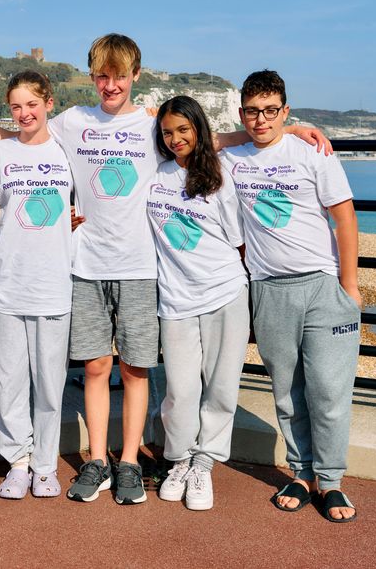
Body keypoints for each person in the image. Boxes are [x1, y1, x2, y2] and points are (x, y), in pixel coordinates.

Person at [0, 33, 328, 505]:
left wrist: (285, 132)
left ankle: (128, 461)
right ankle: (97, 460)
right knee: (94, 367)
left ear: (135, 77)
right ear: (92, 77)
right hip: (85, 266)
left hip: (142, 268)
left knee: (134, 369)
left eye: (119, 76)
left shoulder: (151, 126)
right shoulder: (73, 121)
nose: (110, 85)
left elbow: (203, 138)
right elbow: (26, 133)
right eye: (102, 76)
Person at [222, 69, 361, 523]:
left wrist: (349, 285)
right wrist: (253, 131)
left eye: (270, 111)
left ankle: (332, 480)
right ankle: (301, 474)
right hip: (267, 289)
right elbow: (192, 141)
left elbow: (344, 217)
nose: (261, 120)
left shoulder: (311, 152)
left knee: (329, 390)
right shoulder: (234, 158)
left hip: (322, 286)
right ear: (242, 113)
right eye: (252, 112)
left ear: (284, 109)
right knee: (287, 391)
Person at [146, 95, 250, 511]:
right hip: (175, 299)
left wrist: (293, 130)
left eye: (183, 130)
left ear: (199, 130)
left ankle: (204, 463)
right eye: (167, 132)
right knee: (182, 390)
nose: (175, 139)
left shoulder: (222, 178)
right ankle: (179, 459)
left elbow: (240, 245)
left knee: (221, 386)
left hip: (225, 293)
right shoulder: (154, 176)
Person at [0, 71, 73, 499]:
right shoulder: (0, 151)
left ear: (49, 103)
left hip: (54, 283)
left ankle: (45, 465)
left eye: (31, 105)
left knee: (49, 382)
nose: (24, 114)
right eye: (16, 107)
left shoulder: (67, 148)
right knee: (10, 380)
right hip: (9, 283)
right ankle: (18, 463)